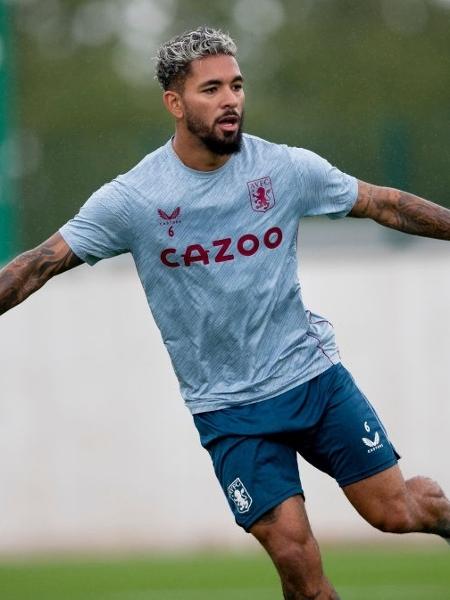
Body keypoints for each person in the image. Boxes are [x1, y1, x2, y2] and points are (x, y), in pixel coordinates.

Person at [1, 26, 449, 600]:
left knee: (396, 513)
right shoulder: (134, 199)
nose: (230, 99)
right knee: (296, 561)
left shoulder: (283, 169)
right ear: (175, 102)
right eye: (211, 89)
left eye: (236, 85)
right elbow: (39, 263)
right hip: (228, 409)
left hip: (312, 380)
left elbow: (383, 203)